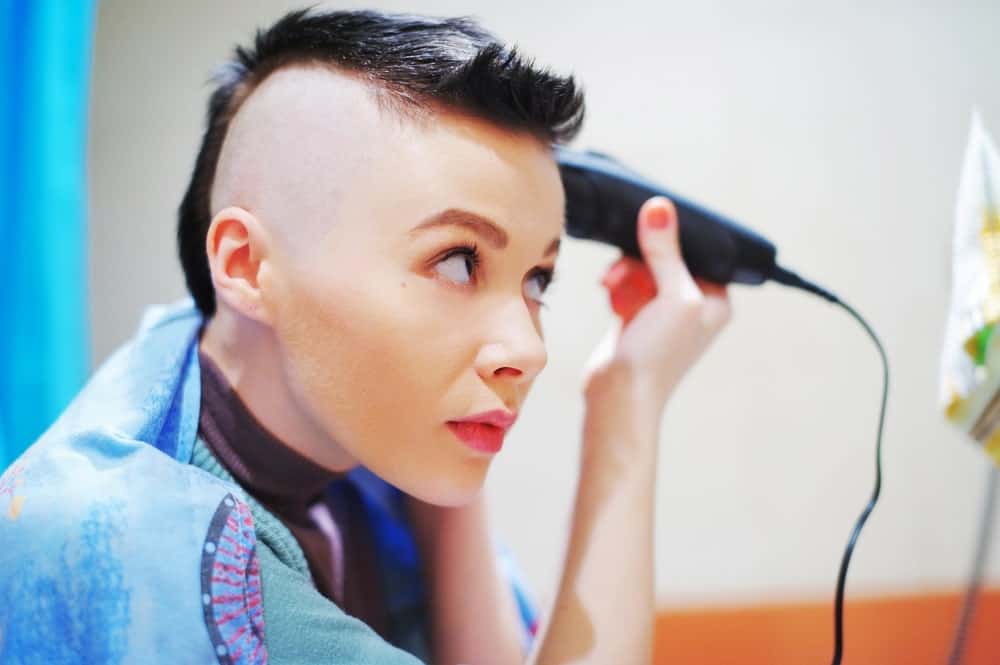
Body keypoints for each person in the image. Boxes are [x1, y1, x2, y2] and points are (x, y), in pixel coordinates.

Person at [0, 7, 731, 665]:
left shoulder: (345, 434)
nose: (529, 349)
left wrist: (453, 441)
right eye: (456, 260)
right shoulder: (168, 554)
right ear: (247, 266)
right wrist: (626, 402)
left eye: (536, 279)